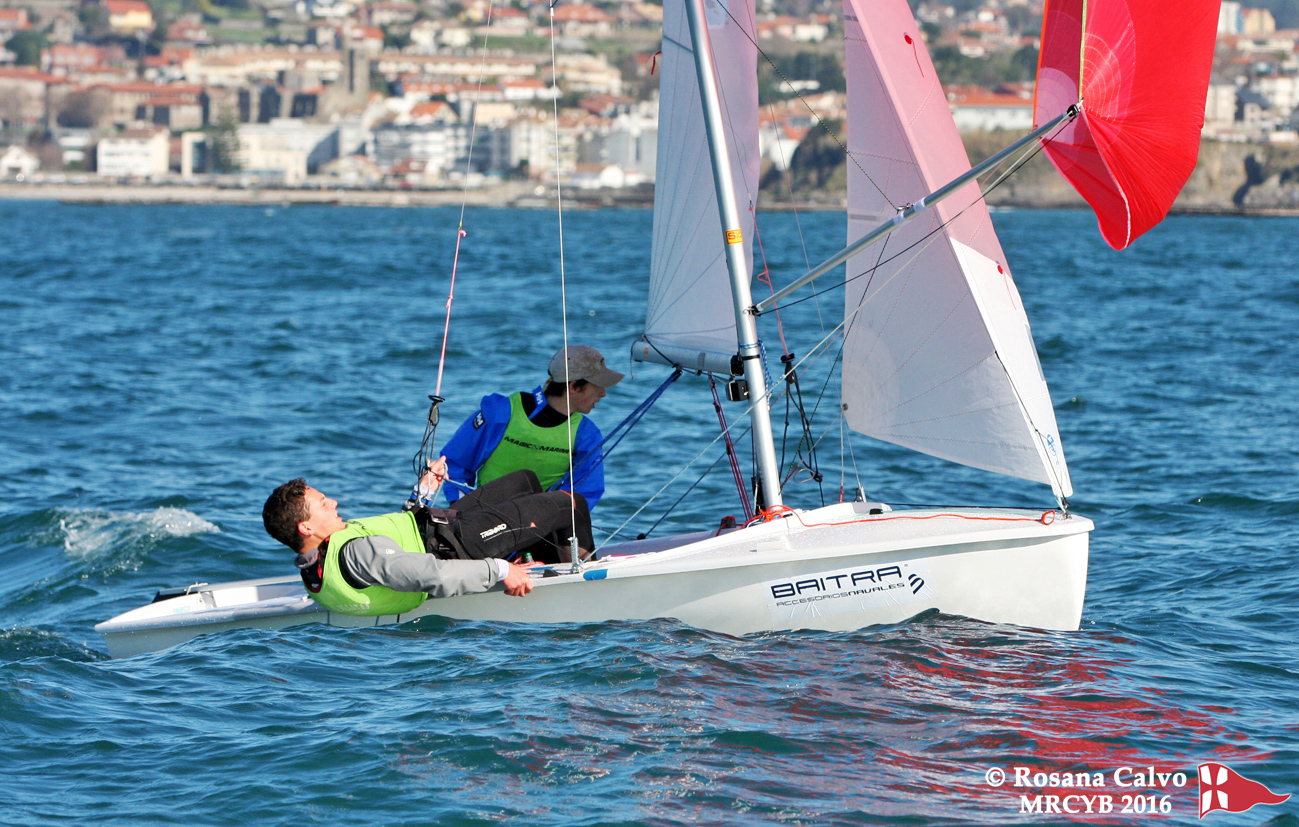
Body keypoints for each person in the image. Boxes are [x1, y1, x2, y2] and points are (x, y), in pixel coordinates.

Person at [262, 458, 594, 617]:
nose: (333, 502)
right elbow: (432, 574)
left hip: (437, 529)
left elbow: (393, 544)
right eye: (323, 504)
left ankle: (534, 560)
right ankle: (579, 580)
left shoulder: (318, 564)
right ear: (306, 528)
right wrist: (500, 570)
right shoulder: (356, 552)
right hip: (459, 547)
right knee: (570, 504)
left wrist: (420, 494)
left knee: (525, 479)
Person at [441, 345, 623, 510]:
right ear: (574, 386)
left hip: (541, 522)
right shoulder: (502, 412)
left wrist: (546, 517)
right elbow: (455, 463)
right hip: (484, 516)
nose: (603, 394)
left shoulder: (587, 434)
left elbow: (585, 492)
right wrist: (461, 507)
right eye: (598, 386)